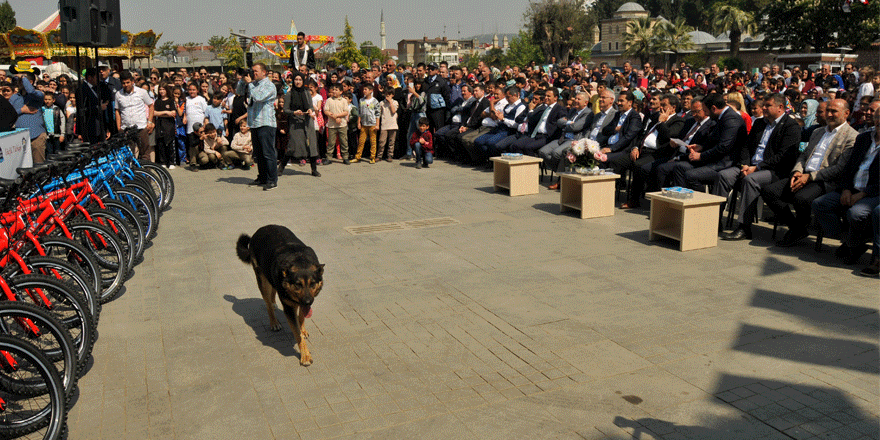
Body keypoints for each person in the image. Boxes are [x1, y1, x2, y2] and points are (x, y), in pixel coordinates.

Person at [762, 99, 858, 247]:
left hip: (824, 180)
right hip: (804, 174)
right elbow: (804, 155)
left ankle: (798, 229)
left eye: (834, 111)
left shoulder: (852, 136)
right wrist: (797, 171)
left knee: (801, 198)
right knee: (770, 192)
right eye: (828, 111)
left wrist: (809, 177)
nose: (829, 114)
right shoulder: (818, 131)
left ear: (846, 114)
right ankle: (797, 228)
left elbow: (839, 168)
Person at [718, 94, 802, 240]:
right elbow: (746, 146)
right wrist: (745, 164)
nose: (763, 108)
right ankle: (715, 219)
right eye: (764, 105)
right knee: (723, 176)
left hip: (774, 170)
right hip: (750, 166)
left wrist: (757, 168)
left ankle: (744, 227)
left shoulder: (790, 126)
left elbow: (783, 156)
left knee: (751, 180)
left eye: (767, 105)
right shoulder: (759, 123)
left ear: (780, 107)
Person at [812, 109, 878, 265]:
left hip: (872, 193)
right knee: (820, 204)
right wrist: (847, 189)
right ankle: (852, 243)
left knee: (855, 213)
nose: (879, 121)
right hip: (852, 188)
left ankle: (853, 244)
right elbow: (849, 168)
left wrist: (862, 195)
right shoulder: (864, 139)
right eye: (877, 118)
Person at [238, 63, 279, 190]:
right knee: (259, 154)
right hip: (254, 123)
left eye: (256, 71)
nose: (254, 73)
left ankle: (272, 180)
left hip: (266, 123)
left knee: (268, 153)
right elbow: (239, 92)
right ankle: (262, 177)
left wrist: (250, 84)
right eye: (252, 71)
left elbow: (259, 97)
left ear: (264, 72)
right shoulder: (253, 84)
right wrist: (242, 80)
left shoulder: (269, 85)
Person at [279, 73, 320, 177]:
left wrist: (310, 111)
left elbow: (310, 106)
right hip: (295, 122)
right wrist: (294, 112)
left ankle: (314, 169)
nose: (298, 82)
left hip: (307, 122)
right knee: (292, 146)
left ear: (303, 81)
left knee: (312, 145)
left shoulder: (306, 92)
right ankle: (281, 168)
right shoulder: (289, 94)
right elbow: (285, 110)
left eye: (300, 80)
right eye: (296, 79)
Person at [115, 71, 155, 161]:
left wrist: (150, 121)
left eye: (128, 82)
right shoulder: (118, 94)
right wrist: (119, 127)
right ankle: (132, 174)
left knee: (145, 153)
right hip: (127, 128)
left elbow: (151, 105)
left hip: (141, 127)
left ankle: (147, 173)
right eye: (123, 83)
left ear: (132, 82)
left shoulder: (142, 92)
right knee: (129, 154)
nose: (126, 85)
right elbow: (117, 111)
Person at [353, 83, 380, 163]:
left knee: (373, 142)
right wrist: (359, 123)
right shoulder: (361, 100)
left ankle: (372, 157)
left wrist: (377, 125)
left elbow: (377, 114)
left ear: (371, 91)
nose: (364, 91)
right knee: (361, 141)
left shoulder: (375, 101)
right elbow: (360, 113)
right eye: (363, 89)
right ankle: (358, 157)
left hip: (372, 124)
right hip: (364, 124)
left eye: (366, 89)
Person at [323, 83, 349, 164]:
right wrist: (334, 117)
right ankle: (329, 157)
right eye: (333, 89)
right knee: (331, 142)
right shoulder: (329, 100)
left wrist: (337, 116)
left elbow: (346, 112)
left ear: (341, 91)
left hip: (342, 124)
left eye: (336, 90)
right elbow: (326, 111)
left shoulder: (344, 101)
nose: (334, 91)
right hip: (332, 125)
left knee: (344, 141)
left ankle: (345, 157)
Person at [153, 85, 178, 169]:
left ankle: (171, 162)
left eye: (163, 89)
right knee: (161, 145)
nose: (161, 91)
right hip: (160, 125)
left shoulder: (171, 101)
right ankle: (162, 162)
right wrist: (166, 113)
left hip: (169, 125)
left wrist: (164, 114)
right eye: (160, 89)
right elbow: (154, 113)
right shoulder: (157, 101)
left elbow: (173, 113)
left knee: (170, 144)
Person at [185, 82, 209, 167]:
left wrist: (205, 123)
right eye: (190, 90)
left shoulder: (201, 99)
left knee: (201, 143)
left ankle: (202, 161)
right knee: (192, 145)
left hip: (200, 126)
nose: (192, 91)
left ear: (197, 90)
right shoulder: (186, 99)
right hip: (190, 127)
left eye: (194, 90)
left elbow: (206, 112)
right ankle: (193, 162)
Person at [377, 88, 399, 162]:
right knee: (381, 141)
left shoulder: (395, 102)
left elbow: (393, 111)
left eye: (389, 95)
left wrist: (390, 102)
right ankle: (379, 155)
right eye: (386, 94)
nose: (387, 96)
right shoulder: (381, 103)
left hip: (393, 124)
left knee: (391, 142)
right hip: (384, 124)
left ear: (392, 95)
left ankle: (390, 155)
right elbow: (378, 114)